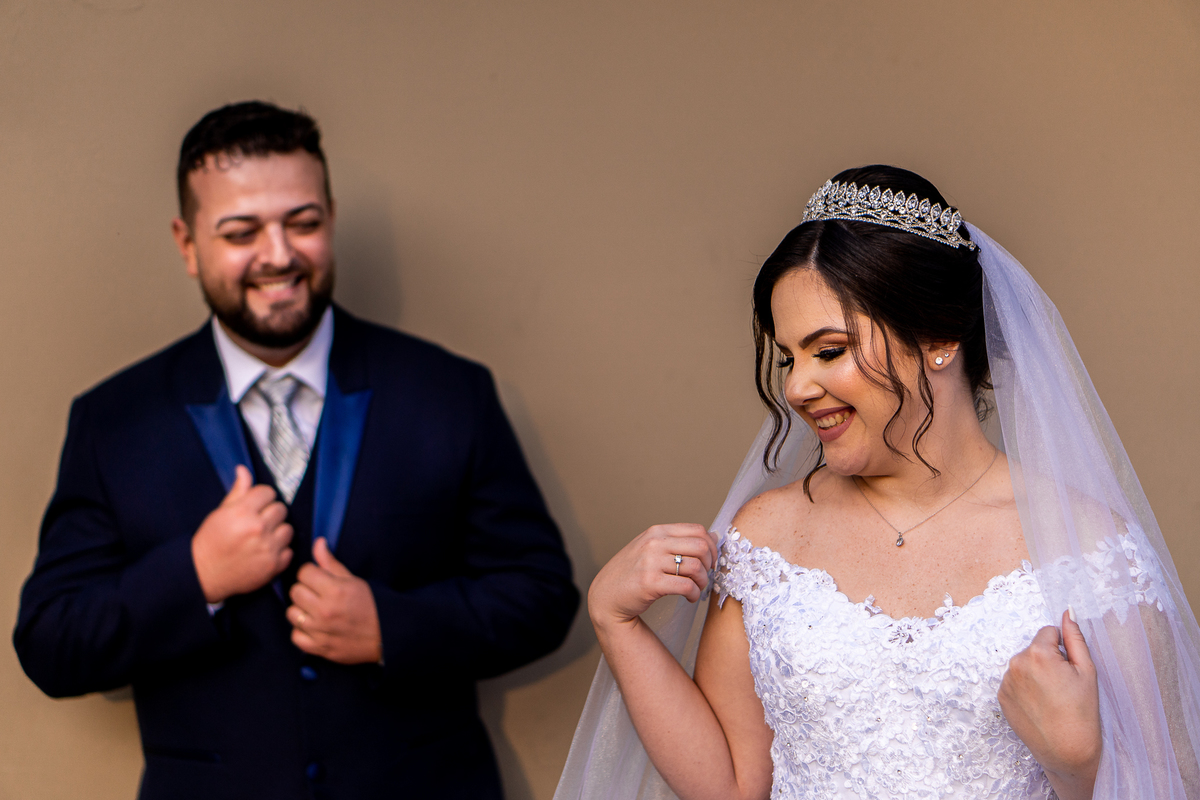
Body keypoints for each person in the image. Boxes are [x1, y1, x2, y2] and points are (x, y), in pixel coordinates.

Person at [555, 166, 1200, 800]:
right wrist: (615, 621)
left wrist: (1076, 768)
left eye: (828, 350)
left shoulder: (1086, 548)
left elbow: (1167, 785)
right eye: (789, 358)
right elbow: (733, 785)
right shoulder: (766, 540)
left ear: (938, 338)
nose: (796, 388)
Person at [14, 100, 579, 800]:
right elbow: (50, 644)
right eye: (240, 231)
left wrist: (391, 628)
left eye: (302, 223)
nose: (278, 255)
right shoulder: (112, 421)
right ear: (187, 243)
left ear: (331, 220)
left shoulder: (449, 392)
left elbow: (543, 595)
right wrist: (194, 575)